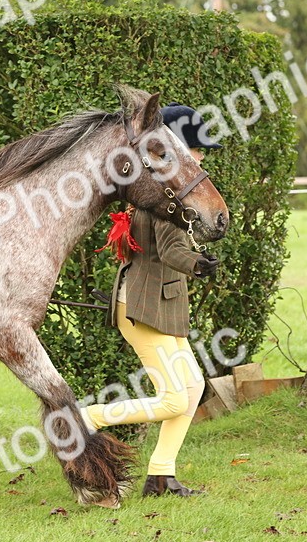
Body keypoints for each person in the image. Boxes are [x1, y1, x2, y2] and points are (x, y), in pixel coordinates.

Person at [81, 103, 223, 497]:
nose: (201, 157)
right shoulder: (167, 199)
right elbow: (171, 250)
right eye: (196, 149)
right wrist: (197, 264)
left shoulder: (166, 190)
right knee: (175, 399)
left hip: (160, 302)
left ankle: (161, 476)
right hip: (145, 305)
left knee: (192, 389)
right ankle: (87, 418)